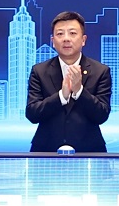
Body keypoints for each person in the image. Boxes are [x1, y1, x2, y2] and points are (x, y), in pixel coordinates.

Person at [25, 11, 112, 153]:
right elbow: (32, 114)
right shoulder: (39, 71)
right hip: (45, 151)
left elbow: (101, 115)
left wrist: (79, 91)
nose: (66, 39)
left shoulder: (100, 71)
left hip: (90, 151)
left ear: (83, 40)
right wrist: (61, 96)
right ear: (53, 41)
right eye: (60, 34)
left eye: (72, 33)